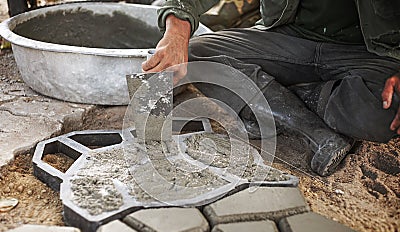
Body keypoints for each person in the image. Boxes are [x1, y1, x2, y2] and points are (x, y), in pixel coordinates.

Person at [142, 0, 400, 176]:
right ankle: (317, 134)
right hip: (288, 39)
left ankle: (271, 101)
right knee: (197, 54)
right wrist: (177, 28)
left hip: (369, 54)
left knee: (382, 112)